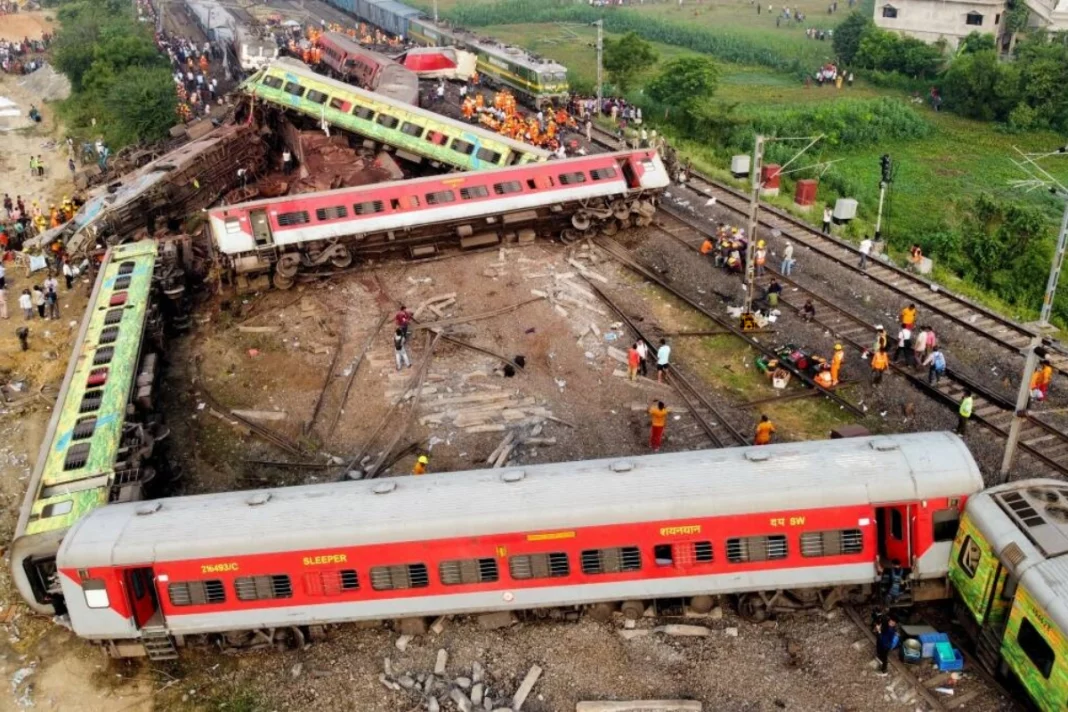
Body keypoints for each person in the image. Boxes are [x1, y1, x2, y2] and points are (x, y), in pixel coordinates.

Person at [874, 611, 899, 676]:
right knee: (883, 655)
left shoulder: (890, 631)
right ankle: (882, 666)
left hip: (885, 645)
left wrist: (879, 631)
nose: (889, 622)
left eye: (891, 622)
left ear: (894, 624)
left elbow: (883, 639)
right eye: (890, 621)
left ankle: (883, 671)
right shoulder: (890, 628)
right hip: (886, 645)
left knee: (883, 657)